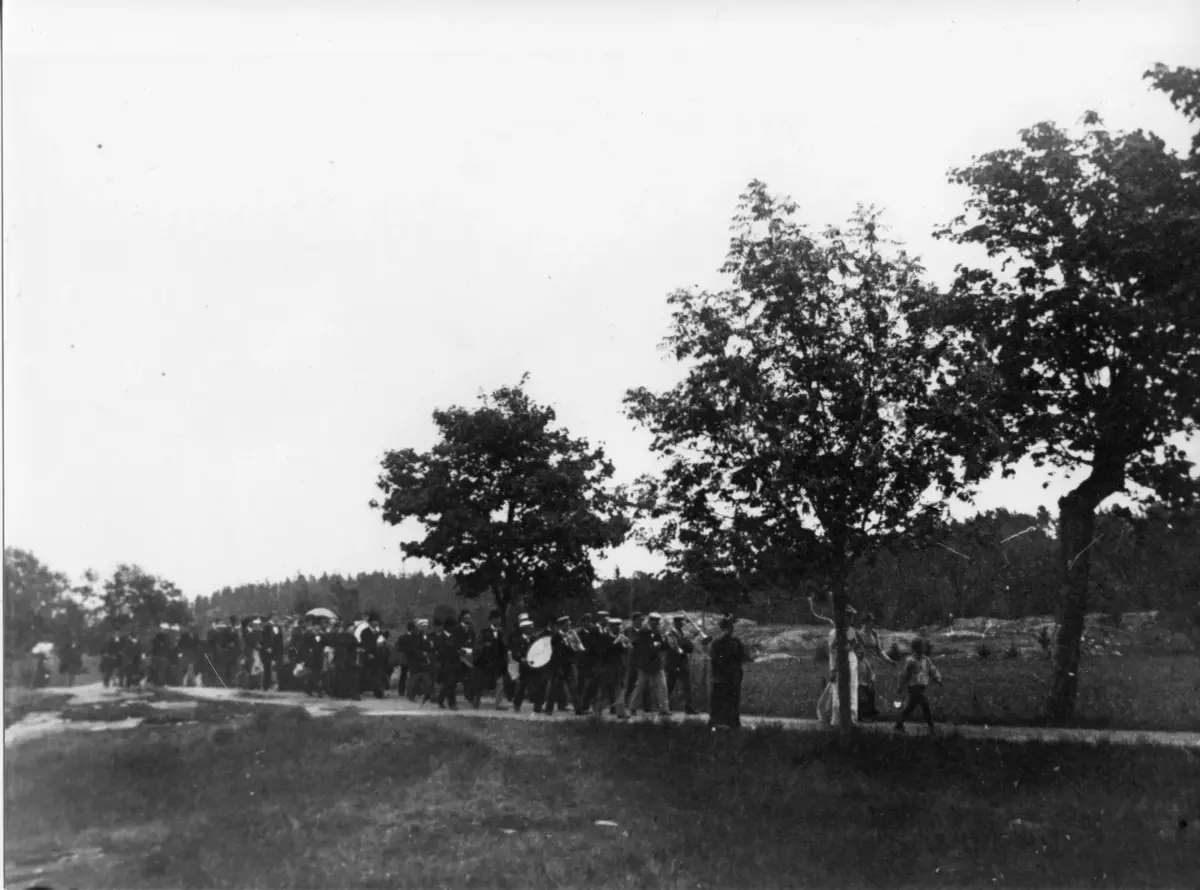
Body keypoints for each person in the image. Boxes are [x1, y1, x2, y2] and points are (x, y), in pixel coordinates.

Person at [894, 638, 942, 735]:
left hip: (921, 687)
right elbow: (904, 674)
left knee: (910, 707)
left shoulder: (926, 659)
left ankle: (898, 724)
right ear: (915, 648)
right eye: (921, 646)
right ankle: (932, 727)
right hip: (913, 687)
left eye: (923, 646)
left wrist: (938, 678)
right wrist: (900, 685)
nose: (923, 648)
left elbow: (932, 669)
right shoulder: (910, 661)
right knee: (925, 706)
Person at [709, 618, 751, 729]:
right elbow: (744, 657)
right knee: (732, 700)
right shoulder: (734, 643)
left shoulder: (716, 643)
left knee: (720, 700)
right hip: (732, 677)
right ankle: (732, 723)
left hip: (722, 677)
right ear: (730, 628)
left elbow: (714, 660)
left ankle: (719, 723)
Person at [628, 612, 670, 718]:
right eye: (655, 621)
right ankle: (632, 707)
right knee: (639, 687)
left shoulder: (657, 632)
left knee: (662, 686)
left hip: (656, 664)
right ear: (650, 621)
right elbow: (643, 648)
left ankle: (664, 709)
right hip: (646, 665)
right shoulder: (643, 632)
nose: (657, 623)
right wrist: (655, 645)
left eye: (657, 621)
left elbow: (662, 646)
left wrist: (665, 642)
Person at [592, 617, 629, 719]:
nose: (617, 628)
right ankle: (597, 713)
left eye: (618, 626)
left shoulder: (620, 638)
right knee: (603, 691)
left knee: (619, 690)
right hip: (606, 668)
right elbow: (604, 650)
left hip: (617, 667)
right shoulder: (604, 637)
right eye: (615, 626)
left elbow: (624, 651)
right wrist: (617, 641)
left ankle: (620, 712)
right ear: (611, 626)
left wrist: (624, 644)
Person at [472, 610, 508, 709]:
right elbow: (478, 645)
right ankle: (476, 700)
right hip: (486, 662)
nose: (499, 620)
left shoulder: (501, 632)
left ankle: (498, 704)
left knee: (500, 683)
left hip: (498, 662)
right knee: (480, 683)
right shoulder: (485, 632)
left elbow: (504, 647)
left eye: (499, 618)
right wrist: (485, 645)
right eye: (497, 618)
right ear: (492, 620)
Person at [665, 615, 700, 715]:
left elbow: (690, 649)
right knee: (670, 686)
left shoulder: (684, 633)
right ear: (676, 623)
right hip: (673, 663)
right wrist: (685, 641)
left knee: (687, 686)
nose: (682, 624)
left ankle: (689, 707)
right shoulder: (670, 633)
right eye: (680, 622)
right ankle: (664, 707)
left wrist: (689, 641)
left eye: (682, 622)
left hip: (682, 663)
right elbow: (674, 647)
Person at [508, 618, 537, 712]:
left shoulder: (534, 639)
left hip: (533, 666)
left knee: (535, 685)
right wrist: (521, 658)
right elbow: (515, 652)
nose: (532, 629)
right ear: (525, 628)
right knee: (522, 686)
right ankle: (517, 705)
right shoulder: (518, 640)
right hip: (523, 667)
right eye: (530, 627)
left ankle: (537, 705)